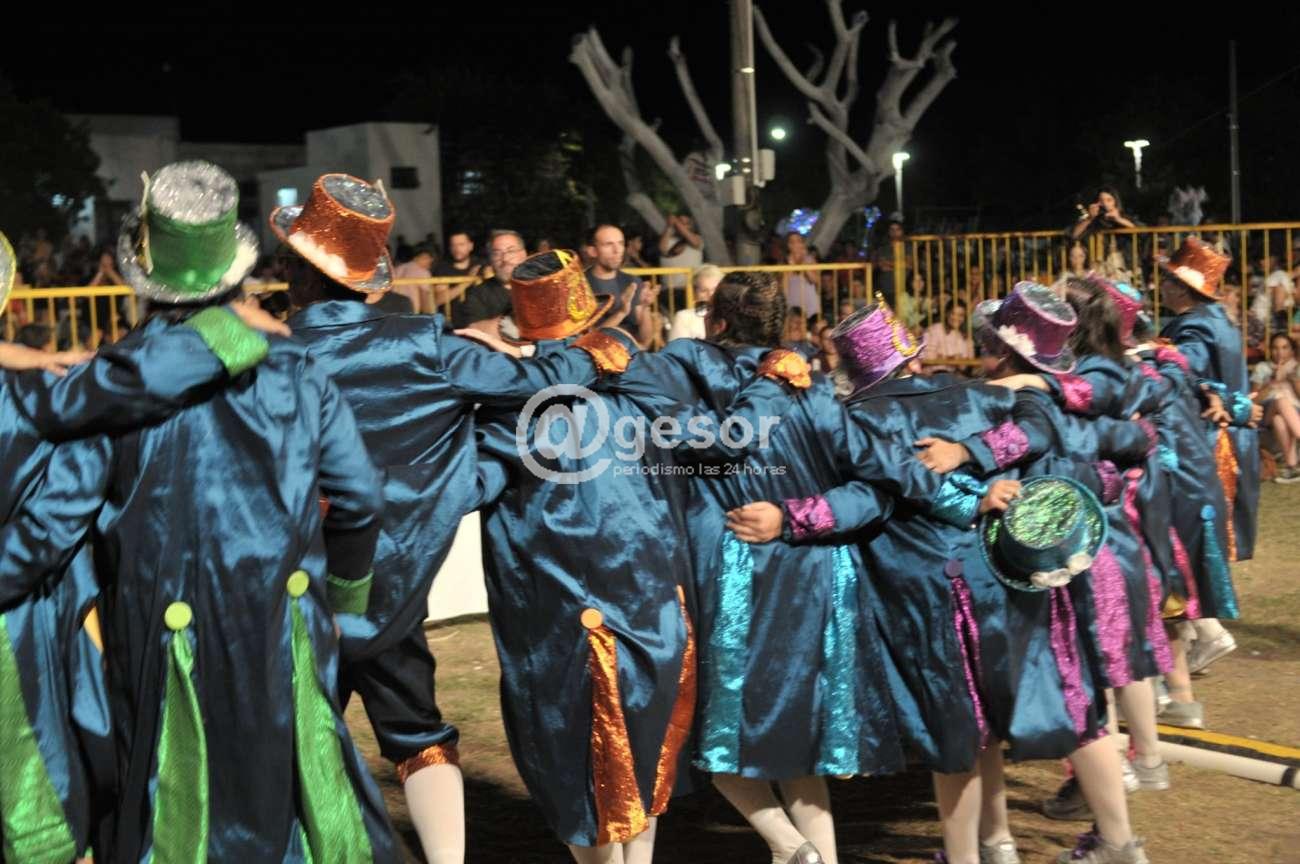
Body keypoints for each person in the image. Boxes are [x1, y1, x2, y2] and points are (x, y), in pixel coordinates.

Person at [0, 161, 400, 863]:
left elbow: (54, 523)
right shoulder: (297, 367)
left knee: (177, 815)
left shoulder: (111, 384)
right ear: (234, 271)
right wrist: (345, 607)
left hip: (162, 635)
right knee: (293, 806)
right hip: (283, 624)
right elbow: (362, 497)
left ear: (141, 276)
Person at [278, 179, 620, 864]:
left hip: (289, 587)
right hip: (394, 581)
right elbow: (535, 386)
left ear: (297, 273)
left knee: (284, 736)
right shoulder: (424, 345)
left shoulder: (269, 354)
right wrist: (588, 350)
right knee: (416, 730)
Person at [451, 230, 525, 335]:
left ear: (523, 254)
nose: (505, 259)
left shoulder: (540, 287)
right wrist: (517, 318)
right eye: (497, 254)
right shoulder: (477, 294)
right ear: (491, 259)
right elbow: (473, 330)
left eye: (511, 251)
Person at [585, 224, 645, 342]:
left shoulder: (632, 281)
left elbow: (645, 341)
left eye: (621, 243)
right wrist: (621, 313)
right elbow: (587, 340)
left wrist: (646, 307)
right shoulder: (580, 286)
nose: (617, 251)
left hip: (631, 351)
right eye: (608, 244)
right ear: (593, 251)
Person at [1252, 332, 1300, 482]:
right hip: (1266, 412)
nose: (1280, 352)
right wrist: (1272, 382)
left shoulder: (1297, 367)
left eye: (1285, 348)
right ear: (1270, 349)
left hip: (1294, 414)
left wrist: (1293, 379)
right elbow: (1253, 400)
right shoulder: (1262, 367)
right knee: (1280, 400)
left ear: (1292, 350)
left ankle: (1292, 467)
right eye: (1275, 348)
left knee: (1279, 419)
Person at [668, 264, 722, 341]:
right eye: (703, 290)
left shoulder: (731, 315)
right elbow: (678, 347)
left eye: (715, 289)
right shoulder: (684, 318)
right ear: (694, 293)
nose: (710, 294)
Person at [922, 300, 975, 372]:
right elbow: (927, 357)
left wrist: (961, 363)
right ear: (947, 314)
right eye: (953, 313)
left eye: (961, 315)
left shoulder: (965, 336)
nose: (956, 318)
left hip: (958, 375)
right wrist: (951, 359)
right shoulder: (934, 330)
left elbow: (969, 362)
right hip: (935, 374)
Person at [1071, 187, 1136, 240]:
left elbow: (1138, 231)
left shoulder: (1125, 216)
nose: (1105, 204)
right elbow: (1074, 235)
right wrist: (1089, 218)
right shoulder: (1094, 219)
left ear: (1116, 202)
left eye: (1109, 200)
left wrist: (1118, 219)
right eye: (1101, 200)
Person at [658, 213, 704, 288]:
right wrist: (669, 226)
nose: (681, 226)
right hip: (669, 288)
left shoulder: (697, 238)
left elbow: (695, 242)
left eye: (686, 223)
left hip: (690, 288)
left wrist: (676, 221)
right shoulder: (669, 239)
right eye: (680, 222)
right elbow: (662, 249)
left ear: (692, 226)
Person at [782, 232, 821, 319]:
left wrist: (803, 262)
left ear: (803, 244)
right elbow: (784, 287)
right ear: (788, 245)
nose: (796, 244)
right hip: (792, 302)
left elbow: (814, 280)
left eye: (799, 241)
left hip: (809, 301)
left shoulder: (810, 259)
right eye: (792, 242)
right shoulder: (783, 262)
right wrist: (790, 265)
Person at [392, 243, 435, 311]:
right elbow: (424, 298)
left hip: (394, 310)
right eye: (426, 258)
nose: (430, 260)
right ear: (416, 258)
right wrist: (429, 314)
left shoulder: (398, 268)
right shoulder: (423, 272)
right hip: (411, 311)